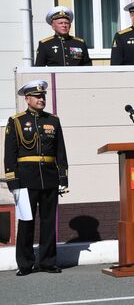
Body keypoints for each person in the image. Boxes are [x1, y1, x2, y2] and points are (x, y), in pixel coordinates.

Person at [3, 80, 68, 276]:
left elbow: (60, 151)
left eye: (43, 96)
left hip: (49, 177)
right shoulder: (16, 121)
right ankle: (25, 264)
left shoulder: (53, 120)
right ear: (27, 99)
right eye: (37, 96)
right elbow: (10, 153)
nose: (42, 99)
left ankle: (48, 262)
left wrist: (63, 177)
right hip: (26, 178)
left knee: (49, 222)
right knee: (26, 222)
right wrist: (13, 180)